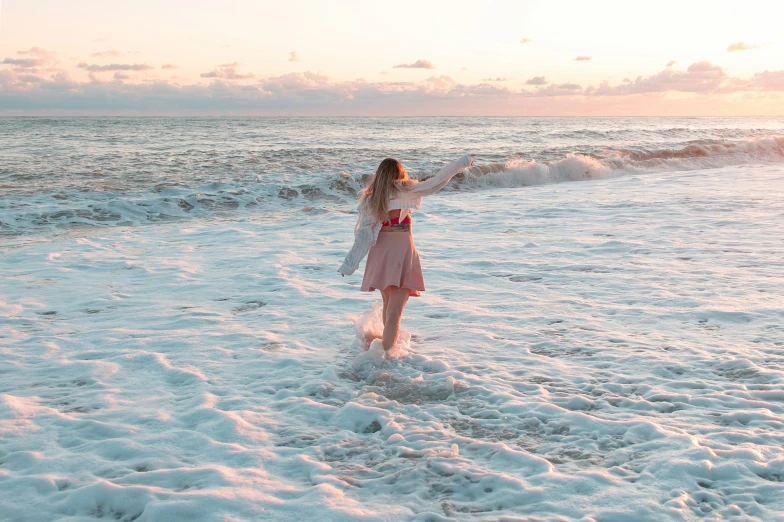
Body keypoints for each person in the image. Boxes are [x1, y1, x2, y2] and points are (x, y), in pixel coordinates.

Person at [339, 153, 475, 351]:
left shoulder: (372, 199)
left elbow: (363, 236)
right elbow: (436, 182)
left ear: (380, 175)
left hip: (380, 254)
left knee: (388, 306)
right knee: (394, 313)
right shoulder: (407, 191)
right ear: (399, 173)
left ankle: (383, 351)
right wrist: (462, 163)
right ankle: (384, 358)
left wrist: (349, 265)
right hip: (401, 251)